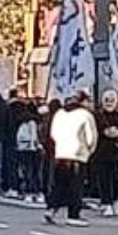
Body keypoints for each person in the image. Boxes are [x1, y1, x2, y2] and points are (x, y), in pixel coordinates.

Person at [45, 93, 97, 227]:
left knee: (59, 184)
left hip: (61, 153)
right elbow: (91, 137)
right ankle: (73, 215)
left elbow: (53, 134)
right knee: (76, 186)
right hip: (77, 154)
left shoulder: (59, 113)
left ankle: (51, 208)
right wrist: (89, 150)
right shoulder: (85, 115)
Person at [94, 91, 118, 217]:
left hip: (117, 153)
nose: (109, 102)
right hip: (102, 153)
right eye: (106, 99)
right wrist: (104, 133)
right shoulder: (98, 116)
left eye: (112, 100)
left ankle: (117, 201)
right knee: (104, 180)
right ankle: (106, 203)